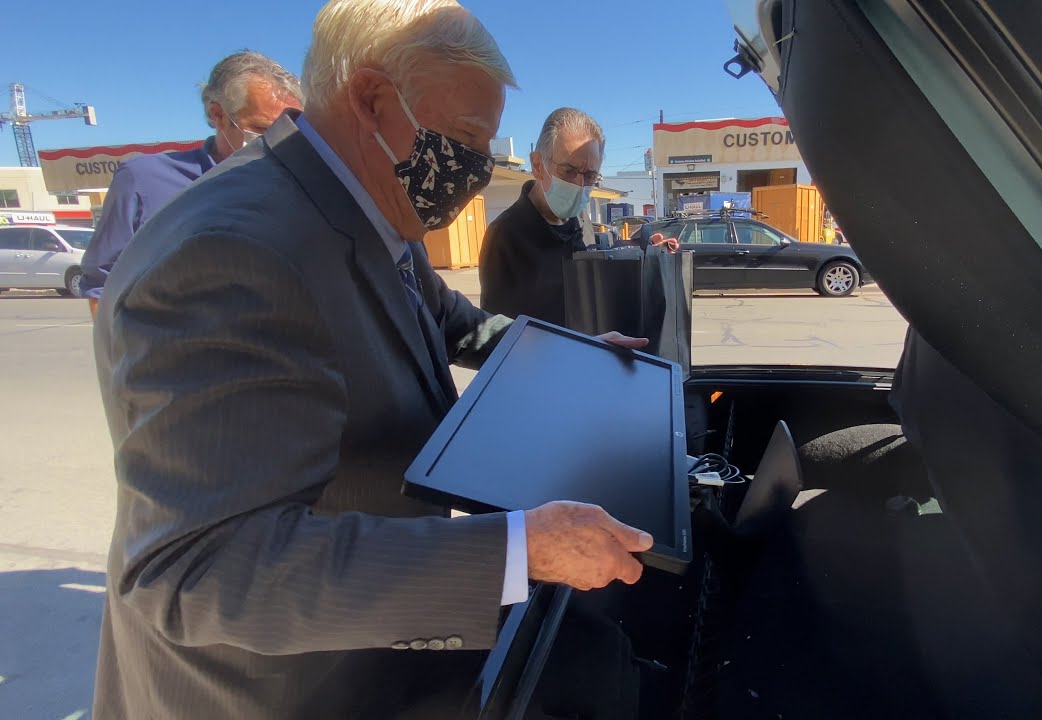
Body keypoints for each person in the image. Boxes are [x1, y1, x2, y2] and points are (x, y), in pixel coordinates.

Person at [91, 2, 653, 718]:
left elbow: (452, 322)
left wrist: (572, 356)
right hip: (285, 690)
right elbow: (201, 569)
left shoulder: (369, 208)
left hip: (374, 646)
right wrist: (520, 550)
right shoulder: (230, 251)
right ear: (372, 99)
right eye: (466, 137)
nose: (479, 167)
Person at [80, 51, 302, 315]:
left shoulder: (293, 185)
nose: (276, 139)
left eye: (287, 130)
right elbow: (102, 283)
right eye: (263, 129)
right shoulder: (143, 180)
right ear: (218, 114)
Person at [479, 107, 603, 325]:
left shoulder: (583, 225)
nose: (579, 184)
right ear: (537, 165)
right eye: (568, 171)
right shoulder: (505, 236)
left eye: (590, 175)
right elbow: (497, 332)